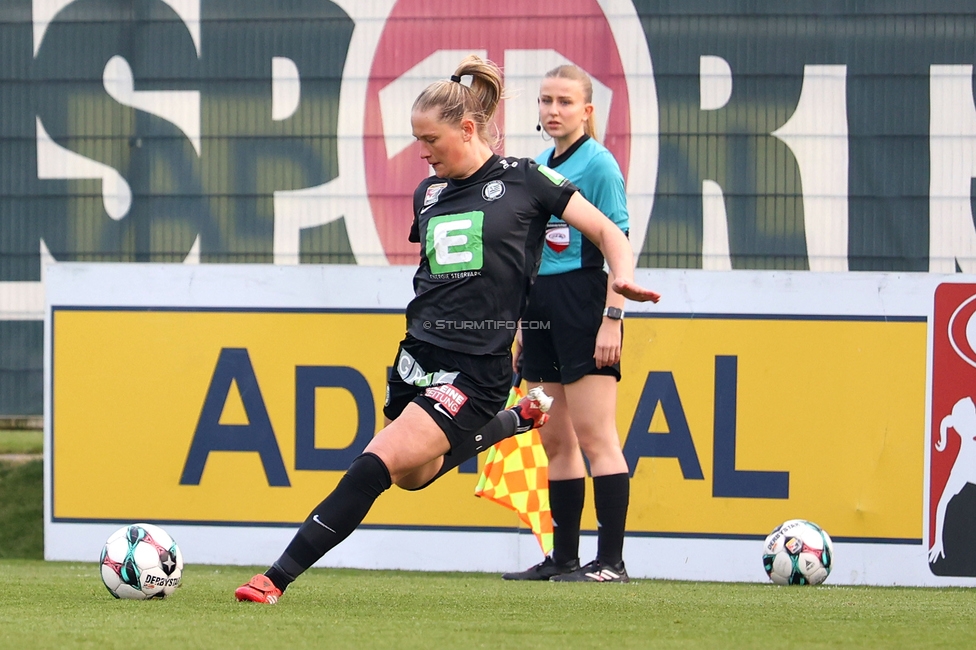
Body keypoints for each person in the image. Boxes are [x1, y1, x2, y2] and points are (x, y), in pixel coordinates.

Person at [235, 55, 659, 604]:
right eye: (417, 139)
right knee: (413, 474)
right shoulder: (427, 194)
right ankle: (512, 422)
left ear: (467, 128)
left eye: (430, 138)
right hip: (416, 356)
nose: (422, 151)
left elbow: (608, 231)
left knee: (374, 464)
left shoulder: (527, 179)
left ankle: (274, 579)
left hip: (474, 368)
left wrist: (621, 283)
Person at [502, 65, 634, 583]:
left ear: (587, 110)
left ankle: (611, 563)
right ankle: (564, 558)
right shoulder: (538, 167)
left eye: (564, 102)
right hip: (540, 307)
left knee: (597, 436)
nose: (553, 110)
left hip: (583, 301)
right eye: (545, 100)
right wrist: (520, 326)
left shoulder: (599, 165)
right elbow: (527, 253)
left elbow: (618, 244)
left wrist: (612, 319)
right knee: (555, 440)